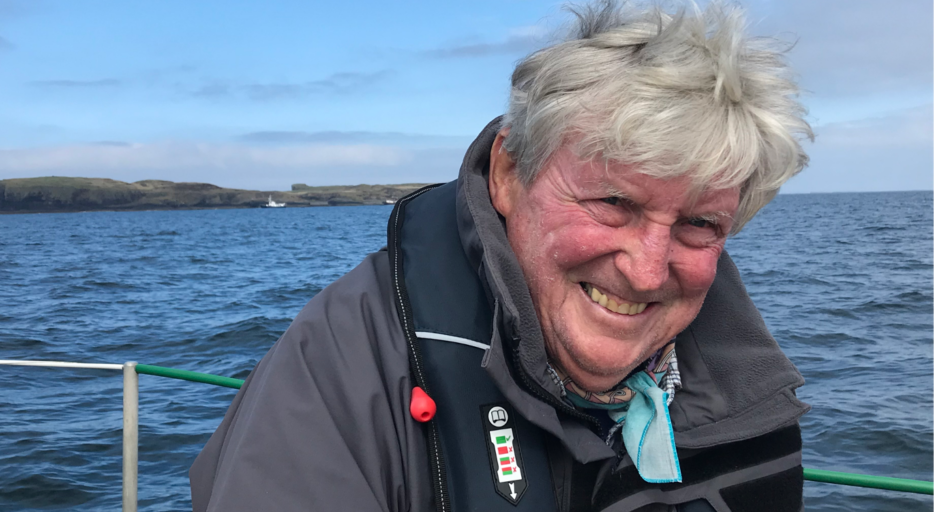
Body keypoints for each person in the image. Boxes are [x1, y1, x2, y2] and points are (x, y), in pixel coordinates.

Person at [190, 2, 814, 511]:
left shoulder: (748, 394)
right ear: (510, 175)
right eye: (613, 201)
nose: (647, 269)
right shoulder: (343, 366)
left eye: (699, 223)